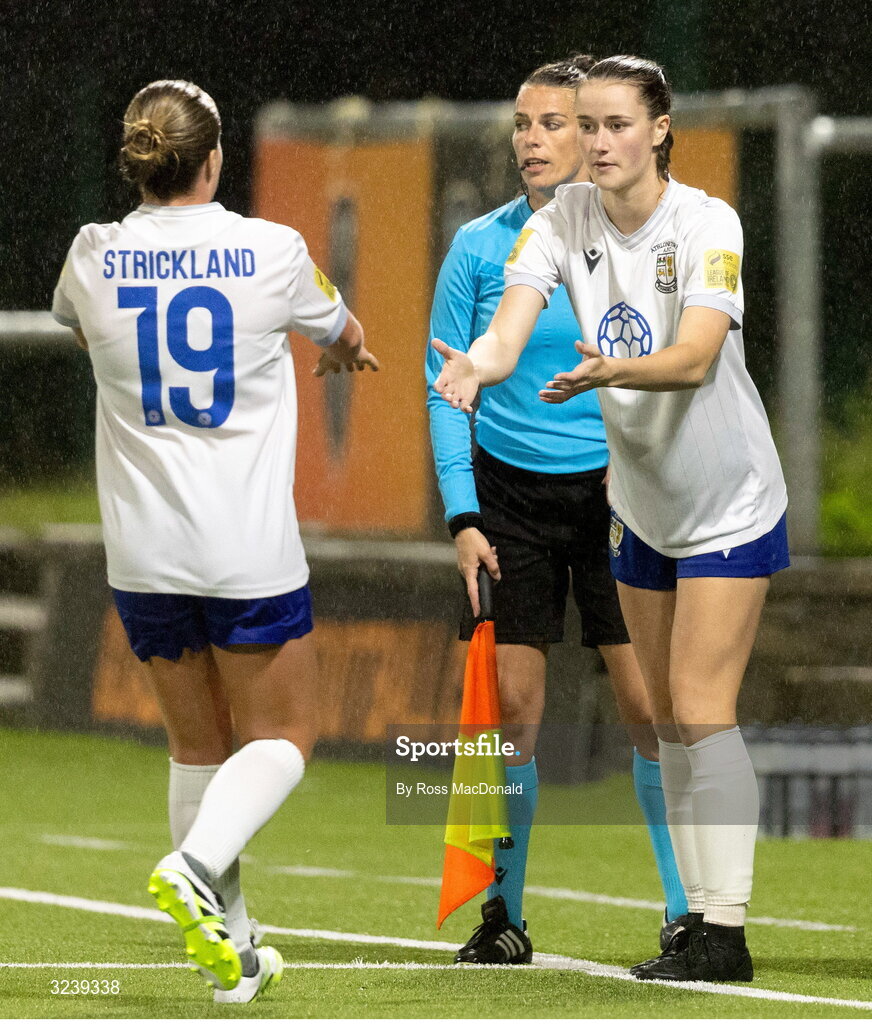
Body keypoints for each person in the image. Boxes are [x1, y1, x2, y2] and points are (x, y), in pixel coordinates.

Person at [432, 54, 789, 984]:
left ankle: (722, 929)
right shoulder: (562, 220)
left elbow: (697, 357)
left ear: (661, 128)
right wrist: (482, 363)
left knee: (700, 710)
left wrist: (607, 372)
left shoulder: (708, 222)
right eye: (584, 125)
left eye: (615, 125)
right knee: (669, 720)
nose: (595, 142)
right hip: (643, 506)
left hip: (726, 499)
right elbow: (512, 324)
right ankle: (698, 923)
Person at [51, 79, 378, 1003]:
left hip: (142, 553)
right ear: (215, 158)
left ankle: (232, 949)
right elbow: (345, 328)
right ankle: (195, 867)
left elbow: (85, 333)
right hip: (243, 547)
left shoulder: (92, 253)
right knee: (284, 735)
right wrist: (341, 348)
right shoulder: (270, 250)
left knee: (199, 747)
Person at [425, 55, 687, 966]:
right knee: (515, 719)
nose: (531, 140)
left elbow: (675, 361)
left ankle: (687, 911)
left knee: (652, 709)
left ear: (596, 134)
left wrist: (639, 454)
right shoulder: (478, 247)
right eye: (522, 124)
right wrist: (464, 516)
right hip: (510, 500)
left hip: (622, 492)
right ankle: (502, 918)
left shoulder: (641, 237)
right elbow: (446, 384)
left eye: (553, 123)